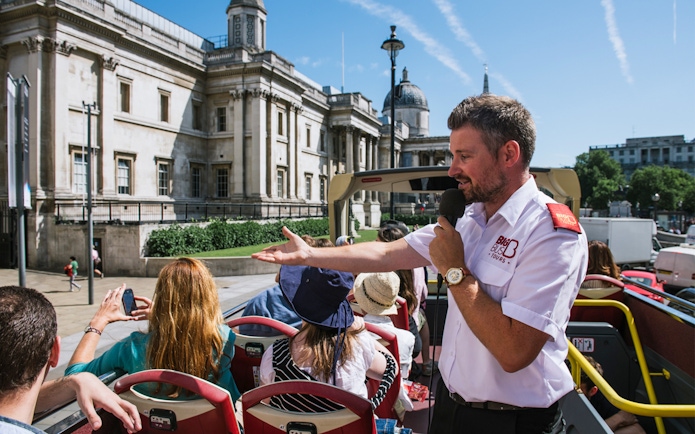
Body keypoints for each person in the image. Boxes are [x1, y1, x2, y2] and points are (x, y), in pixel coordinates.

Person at [252, 94, 588, 434]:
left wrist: (455, 273)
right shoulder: (468, 218)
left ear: (509, 154)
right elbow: (385, 253)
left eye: (464, 156)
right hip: (450, 406)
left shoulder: (550, 232)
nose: (452, 169)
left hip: (513, 422)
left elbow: (514, 352)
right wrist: (310, 255)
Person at [65, 257, 241, 402]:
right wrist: (168, 318)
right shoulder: (224, 339)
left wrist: (98, 322)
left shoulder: (132, 348)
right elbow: (194, 333)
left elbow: (74, 377)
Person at [0, 285, 141, 434]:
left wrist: (98, 322)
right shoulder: (138, 345)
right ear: (55, 352)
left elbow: (16, 396)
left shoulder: (130, 347)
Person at [259, 265, 398, 412]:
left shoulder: (274, 355)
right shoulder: (358, 346)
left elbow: (264, 405)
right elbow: (392, 368)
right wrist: (362, 333)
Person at [377, 224, 435, 377]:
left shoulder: (374, 278)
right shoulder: (416, 267)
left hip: (381, 335)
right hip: (410, 323)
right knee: (422, 317)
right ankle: (427, 362)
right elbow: (422, 294)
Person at [579, 356, 646, 434]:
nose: (571, 391)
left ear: (593, 391)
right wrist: (617, 419)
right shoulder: (563, 397)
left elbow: (637, 431)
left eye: (578, 388)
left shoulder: (600, 398)